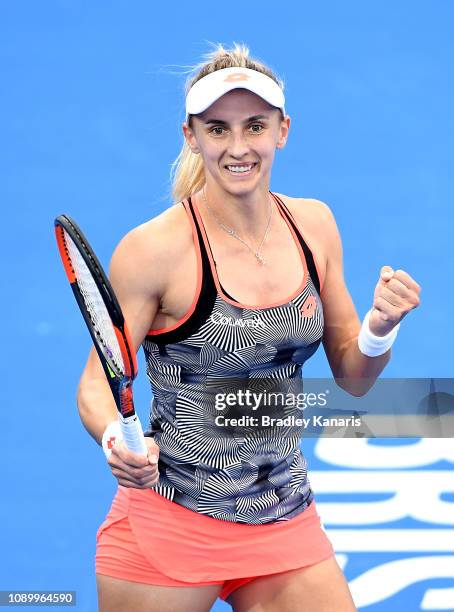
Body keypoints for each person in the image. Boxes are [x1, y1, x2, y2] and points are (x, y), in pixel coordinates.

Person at [77, 43, 421, 612]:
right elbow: (96, 382)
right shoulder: (154, 251)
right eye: (217, 130)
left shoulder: (315, 226)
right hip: (168, 528)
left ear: (282, 131)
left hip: (284, 521)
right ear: (191, 136)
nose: (238, 148)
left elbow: (354, 377)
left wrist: (380, 328)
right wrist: (115, 437)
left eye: (254, 127)